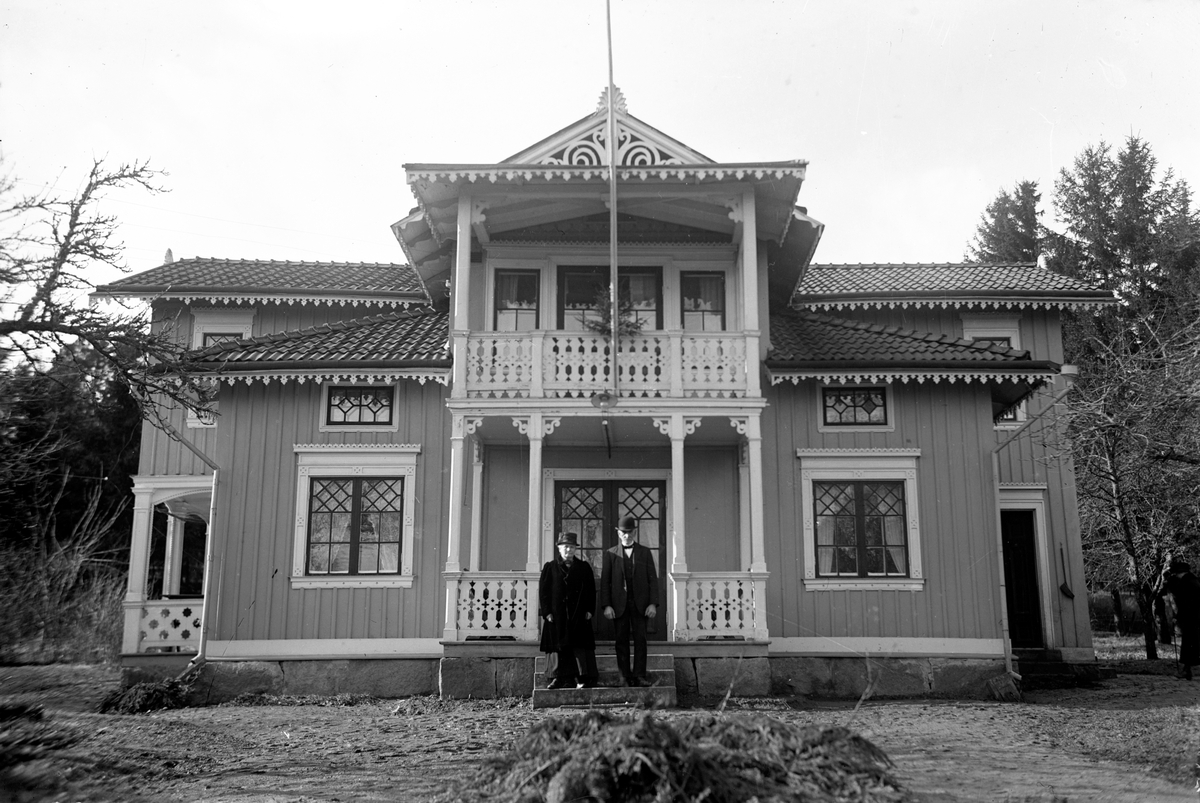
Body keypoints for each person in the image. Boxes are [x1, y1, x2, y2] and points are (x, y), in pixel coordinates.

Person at [600, 515, 658, 687]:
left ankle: (639, 675)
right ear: (618, 533)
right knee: (621, 640)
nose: (627, 535)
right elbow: (605, 582)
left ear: (635, 532)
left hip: (641, 604)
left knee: (641, 640)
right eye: (623, 532)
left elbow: (652, 580)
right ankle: (624, 677)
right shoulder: (610, 554)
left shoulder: (645, 552)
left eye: (630, 532)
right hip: (619, 605)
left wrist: (652, 603)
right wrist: (607, 605)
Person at [538, 532, 598, 689]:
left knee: (578, 646)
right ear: (559, 548)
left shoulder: (584, 567)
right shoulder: (550, 567)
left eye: (571, 547)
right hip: (556, 615)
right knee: (557, 646)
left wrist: (590, 610)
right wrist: (547, 612)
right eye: (565, 547)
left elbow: (591, 591)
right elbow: (544, 592)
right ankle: (557, 678)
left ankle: (581, 678)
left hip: (578, 614)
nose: (568, 550)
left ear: (575, 549)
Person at [1164, 559, 1200, 681]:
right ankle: (1186, 670)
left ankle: (1186, 670)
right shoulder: (1194, 581)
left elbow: (1185, 604)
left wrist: (1177, 617)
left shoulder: (1186, 584)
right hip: (1195, 617)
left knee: (1189, 643)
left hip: (1191, 618)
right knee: (1191, 643)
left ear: (1180, 573)